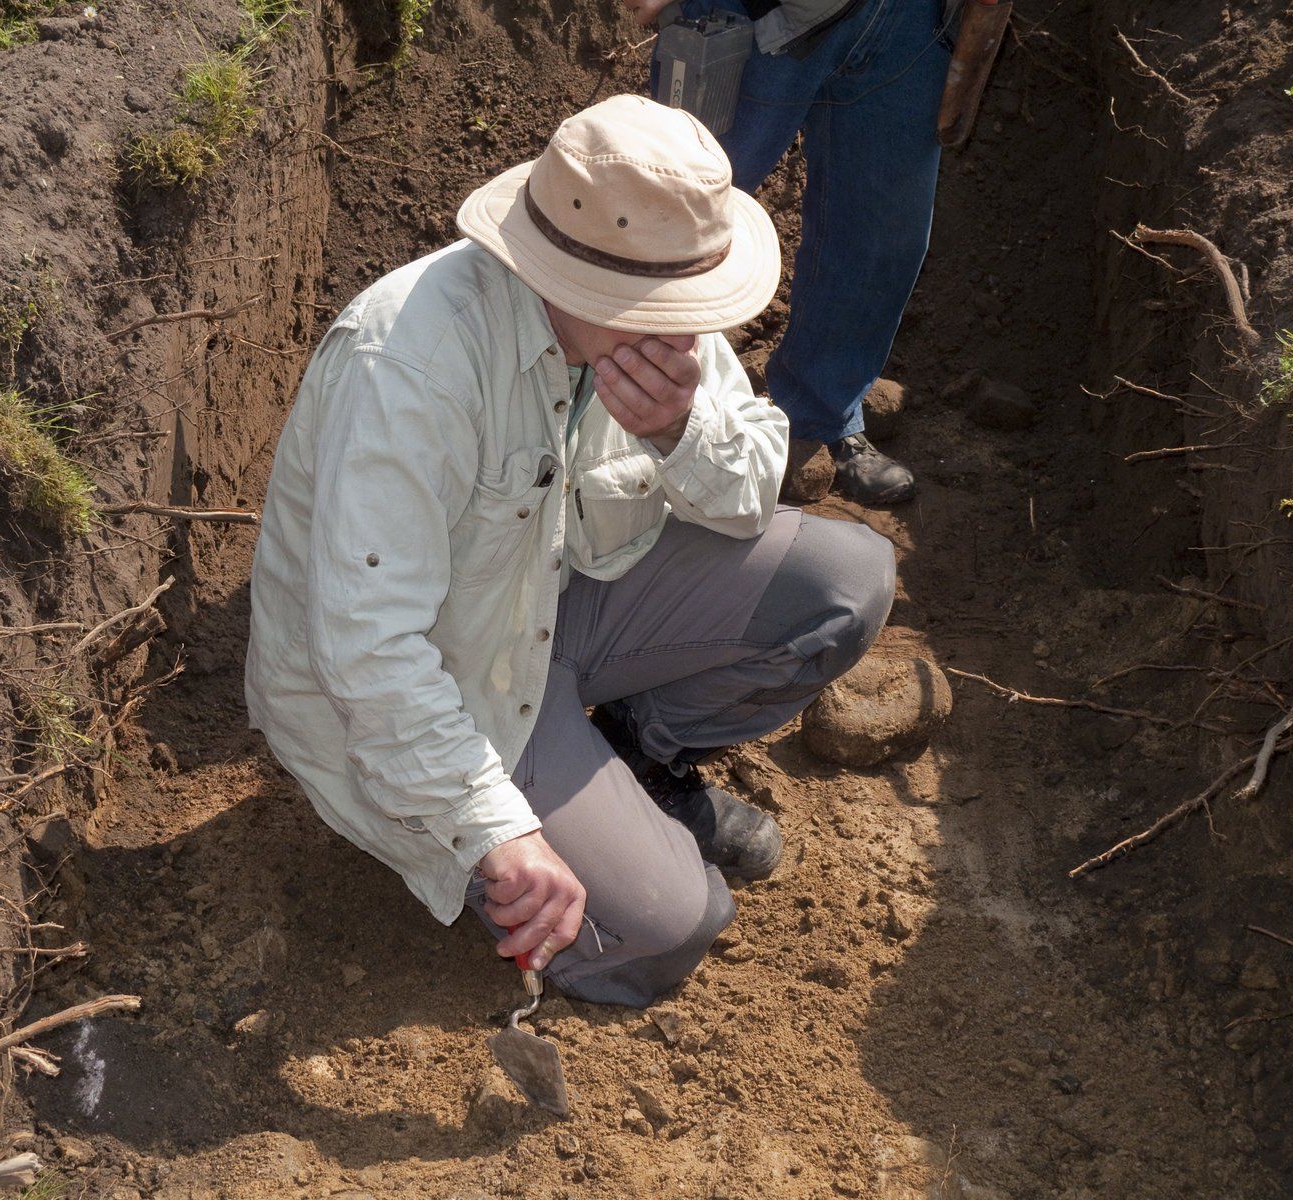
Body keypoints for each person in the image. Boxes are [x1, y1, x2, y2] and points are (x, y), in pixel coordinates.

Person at [246, 95, 894, 1008]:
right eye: (668, 309)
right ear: (579, 284)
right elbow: (369, 649)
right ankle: (534, 827)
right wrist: (496, 831)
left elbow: (751, 490)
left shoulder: (659, 294)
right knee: (670, 927)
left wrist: (679, 431)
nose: (692, 330)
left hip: (572, 593)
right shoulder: (409, 367)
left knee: (847, 581)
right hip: (455, 674)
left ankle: (639, 758)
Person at [632, 0, 958, 505]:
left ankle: (819, 413)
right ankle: (618, 419)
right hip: (754, 10)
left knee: (880, 234)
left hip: (912, 22)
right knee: (676, 214)